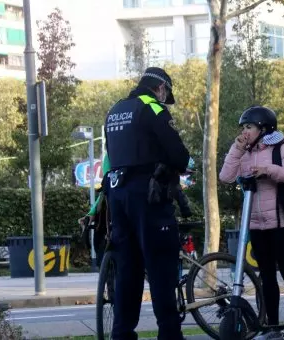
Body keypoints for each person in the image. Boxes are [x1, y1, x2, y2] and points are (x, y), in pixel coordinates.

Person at [103, 67, 190, 340]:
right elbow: (179, 154)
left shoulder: (116, 109)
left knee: (128, 269)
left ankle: (122, 334)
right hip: (148, 196)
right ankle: (169, 335)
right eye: (166, 94)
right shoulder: (151, 107)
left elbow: (110, 155)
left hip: (118, 194)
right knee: (161, 266)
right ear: (161, 88)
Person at [219, 106, 284, 340]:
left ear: (264, 128)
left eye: (249, 127)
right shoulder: (244, 152)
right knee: (266, 277)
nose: (245, 132)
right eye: (243, 128)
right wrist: (237, 147)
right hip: (257, 225)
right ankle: (273, 328)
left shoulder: (281, 148)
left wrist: (269, 170)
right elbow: (225, 177)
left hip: (282, 224)